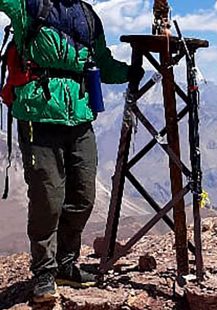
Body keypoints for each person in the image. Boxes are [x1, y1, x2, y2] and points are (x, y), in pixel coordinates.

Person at [0, 0, 143, 303]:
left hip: (79, 115)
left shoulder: (89, 17)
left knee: (83, 196)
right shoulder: (30, 6)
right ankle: (44, 273)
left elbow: (103, 63)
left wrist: (131, 72)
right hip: (38, 116)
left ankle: (66, 264)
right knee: (48, 198)